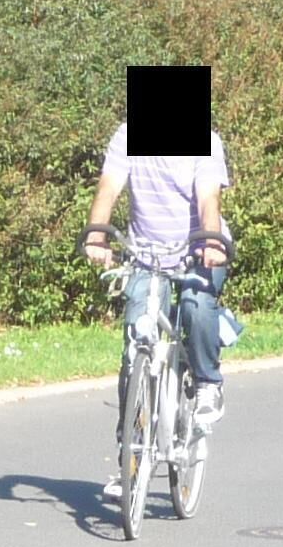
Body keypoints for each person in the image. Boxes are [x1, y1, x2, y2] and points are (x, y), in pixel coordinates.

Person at [84, 111, 233, 429]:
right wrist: (96, 235)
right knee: (134, 341)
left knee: (196, 305)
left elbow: (208, 199)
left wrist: (211, 243)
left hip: (198, 250)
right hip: (147, 253)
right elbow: (108, 189)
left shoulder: (206, 142)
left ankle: (208, 384)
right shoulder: (127, 136)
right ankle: (129, 443)